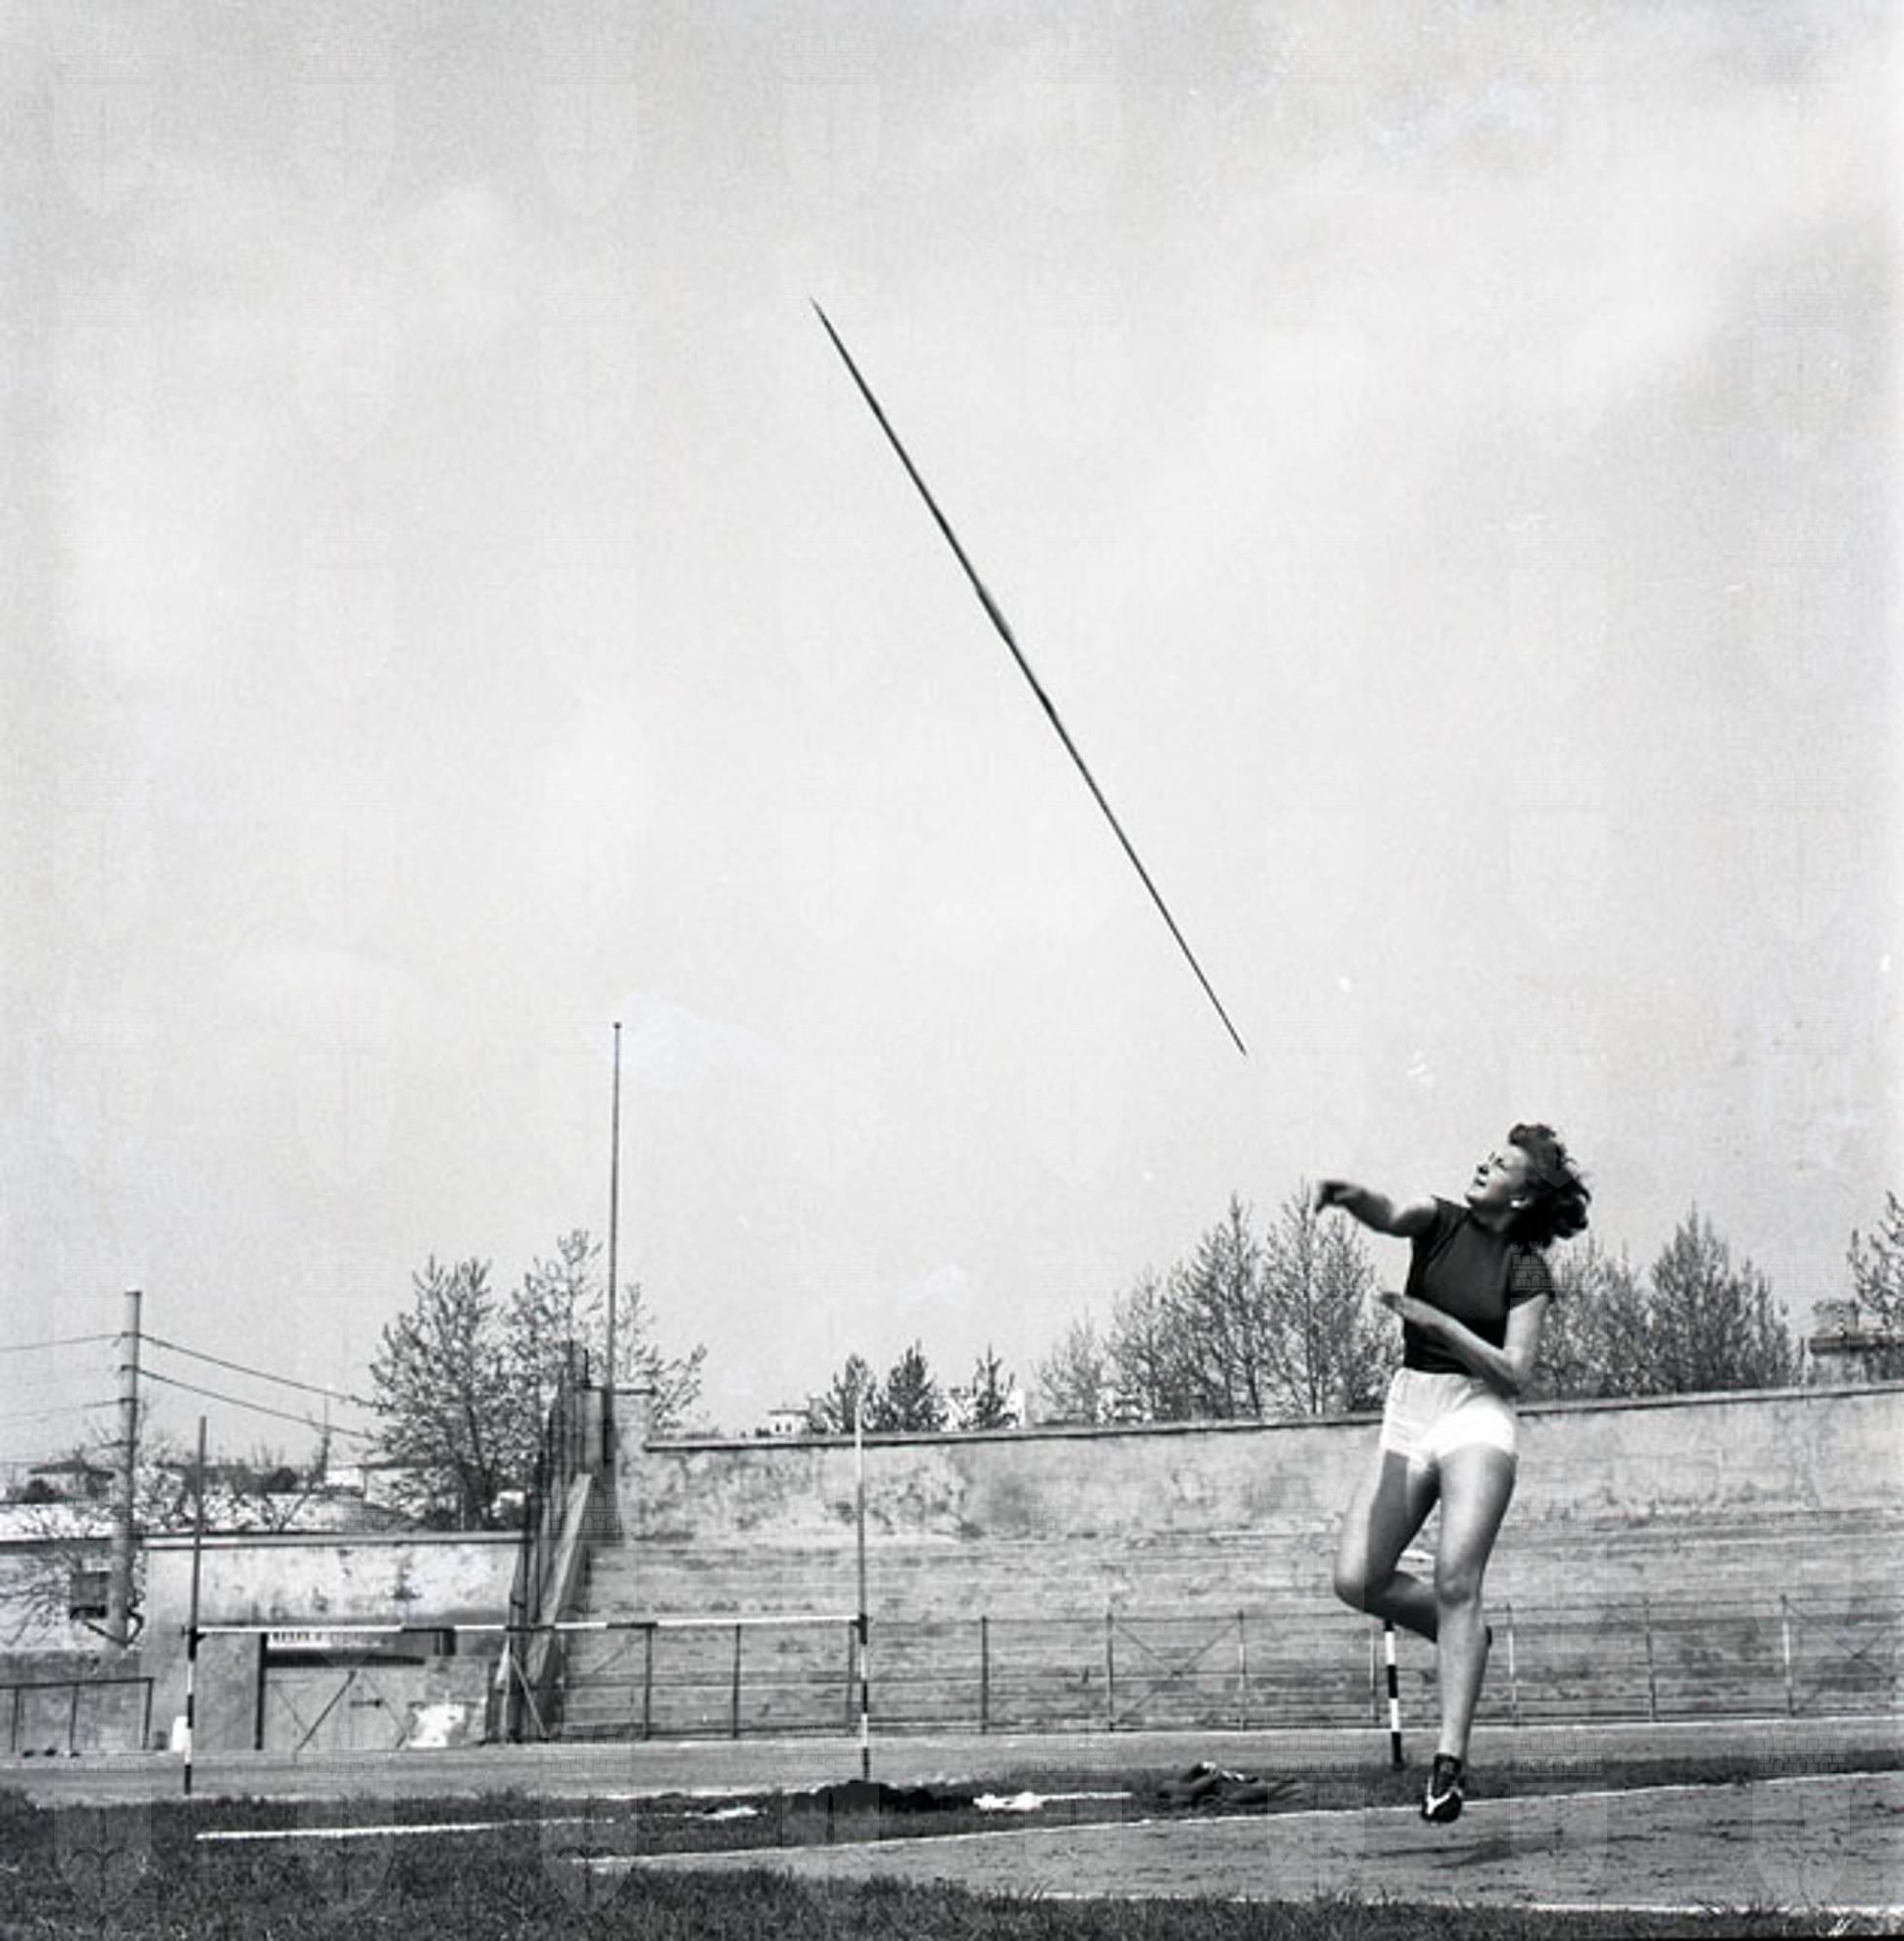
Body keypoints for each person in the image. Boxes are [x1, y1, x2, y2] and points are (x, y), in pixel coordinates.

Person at [1315, 1124, 1590, 1825]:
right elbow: (1389, 1212)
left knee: (1456, 1578)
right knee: (1357, 1579)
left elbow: (1515, 1372)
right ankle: (1465, 1634)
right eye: (1488, 1155)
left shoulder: (1527, 1270)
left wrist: (1442, 1327)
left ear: (1523, 1195)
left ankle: (1448, 1764)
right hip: (1412, 1408)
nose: (1483, 1164)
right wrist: (1350, 1197)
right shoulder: (1438, 1221)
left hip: (1477, 1414)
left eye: (1501, 1164)